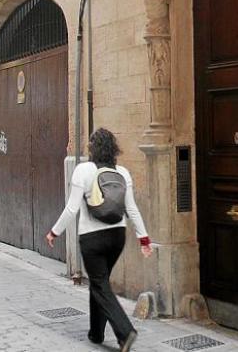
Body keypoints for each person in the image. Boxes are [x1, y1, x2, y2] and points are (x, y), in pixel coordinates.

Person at [46, 128, 152, 352]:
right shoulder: (122, 172)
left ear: (92, 148)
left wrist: (54, 232)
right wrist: (143, 239)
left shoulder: (83, 170)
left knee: (100, 283)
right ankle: (96, 333)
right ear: (114, 149)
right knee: (99, 282)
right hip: (117, 236)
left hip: (91, 238)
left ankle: (125, 332)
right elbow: (131, 208)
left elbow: (72, 208)